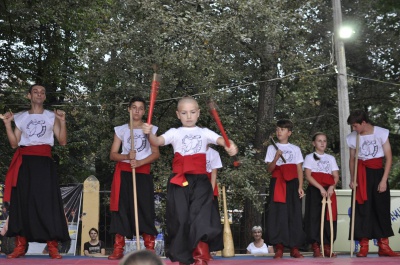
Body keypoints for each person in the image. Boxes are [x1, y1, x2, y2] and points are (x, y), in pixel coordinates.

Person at [142, 96, 238, 265]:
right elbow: (156, 141)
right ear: (178, 114)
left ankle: (201, 258)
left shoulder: (204, 132)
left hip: (201, 181)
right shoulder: (174, 132)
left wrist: (230, 145)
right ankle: (184, 259)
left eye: (192, 112)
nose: (188, 116)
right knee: (180, 219)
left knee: (200, 217)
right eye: (184, 113)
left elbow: (222, 140)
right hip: (179, 181)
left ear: (198, 113)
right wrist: (150, 132)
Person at [2, 84, 70, 259]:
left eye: (42, 92)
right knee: (23, 202)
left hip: (44, 162)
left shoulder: (50, 116)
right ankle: (20, 245)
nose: (39, 94)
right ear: (29, 96)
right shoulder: (21, 117)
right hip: (25, 163)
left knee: (47, 203)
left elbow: (62, 141)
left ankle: (52, 245)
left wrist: (62, 122)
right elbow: (14, 144)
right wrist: (8, 125)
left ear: (45, 97)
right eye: (35, 91)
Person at [108, 97, 160, 260]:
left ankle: (149, 248)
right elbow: (112, 154)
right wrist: (126, 156)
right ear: (129, 109)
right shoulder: (121, 129)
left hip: (142, 172)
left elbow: (156, 153)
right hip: (125, 172)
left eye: (140, 108)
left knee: (145, 209)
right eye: (134, 107)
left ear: (144, 111)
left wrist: (139, 162)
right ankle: (118, 248)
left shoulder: (150, 129)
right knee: (122, 209)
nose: (137, 111)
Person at [346, 110, 400, 257]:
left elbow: (389, 158)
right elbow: (352, 160)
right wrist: (352, 179)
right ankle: (363, 245)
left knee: (381, 208)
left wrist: (384, 180)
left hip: (378, 174)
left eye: (355, 125)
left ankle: (384, 245)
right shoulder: (352, 137)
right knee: (362, 209)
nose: (353, 129)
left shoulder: (381, 133)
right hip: (360, 175)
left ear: (364, 122)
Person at [264, 119, 306, 259]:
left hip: (293, 183)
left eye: (282, 129)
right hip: (278, 183)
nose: (278, 132)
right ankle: (279, 247)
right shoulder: (272, 148)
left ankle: (294, 248)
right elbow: (269, 169)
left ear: (289, 132)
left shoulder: (295, 149)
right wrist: (276, 158)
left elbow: (299, 169)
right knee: (278, 215)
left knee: (294, 214)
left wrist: (300, 186)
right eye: (277, 129)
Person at [303, 132, 339, 258]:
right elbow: (308, 175)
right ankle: (316, 246)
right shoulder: (309, 157)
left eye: (324, 140)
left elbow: (335, 176)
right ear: (314, 143)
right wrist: (319, 188)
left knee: (329, 218)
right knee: (314, 218)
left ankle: (327, 246)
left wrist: (331, 187)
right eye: (319, 140)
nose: (322, 143)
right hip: (315, 190)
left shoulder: (331, 158)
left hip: (329, 190)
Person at [205, 146, 223, 255]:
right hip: (196, 188)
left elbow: (214, 174)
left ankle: (210, 249)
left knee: (212, 220)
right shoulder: (193, 150)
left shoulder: (214, 153)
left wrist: (210, 192)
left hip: (209, 188)